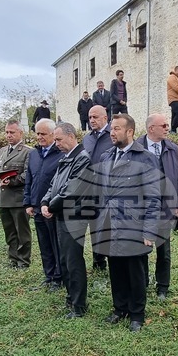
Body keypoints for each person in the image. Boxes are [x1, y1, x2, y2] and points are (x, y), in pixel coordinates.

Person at [93, 114, 160, 332]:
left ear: (130, 132)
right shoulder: (106, 157)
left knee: (135, 271)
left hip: (134, 225)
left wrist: (149, 231)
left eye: (117, 129)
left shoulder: (145, 158)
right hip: (110, 225)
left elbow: (153, 197)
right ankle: (119, 307)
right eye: (111, 129)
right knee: (116, 268)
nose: (112, 133)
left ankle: (137, 314)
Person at [41, 123, 92, 319]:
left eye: (59, 140)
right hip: (61, 215)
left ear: (71, 136)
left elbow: (72, 190)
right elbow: (54, 184)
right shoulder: (67, 158)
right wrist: (45, 201)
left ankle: (79, 306)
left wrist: (51, 206)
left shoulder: (83, 159)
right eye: (55, 140)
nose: (56, 144)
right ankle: (71, 299)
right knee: (64, 260)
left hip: (74, 217)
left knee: (73, 261)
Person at [137, 113, 178, 301]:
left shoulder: (172, 148)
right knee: (141, 248)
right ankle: (142, 283)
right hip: (142, 208)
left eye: (167, 125)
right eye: (163, 125)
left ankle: (163, 287)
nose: (167, 127)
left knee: (163, 251)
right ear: (151, 129)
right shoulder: (136, 148)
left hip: (166, 208)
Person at [23, 118, 62, 291]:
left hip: (53, 209)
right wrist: (28, 202)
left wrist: (53, 205)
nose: (39, 137)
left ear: (53, 134)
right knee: (44, 245)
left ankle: (59, 277)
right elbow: (29, 179)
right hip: (37, 207)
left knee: (56, 244)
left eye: (43, 134)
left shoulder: (61, 154)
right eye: (37, 133)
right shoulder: (33, 154)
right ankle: (49, 275)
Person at [0, 120, 32, 269]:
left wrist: (13, 181)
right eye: (7, 132)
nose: (9, 135)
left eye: (12, 132)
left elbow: (28, 174)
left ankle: (23, 261)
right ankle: (13, 259)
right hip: (4, 198)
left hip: (18, 199)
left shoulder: (28, 151)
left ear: (21, 133)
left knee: (22, 232)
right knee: (9, 231)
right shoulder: (2, 151)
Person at [82, 105, 113, 272]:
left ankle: (114, 263)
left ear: (105, 118)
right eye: (90, 117)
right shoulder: (87, 139)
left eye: (95, 117)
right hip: (90, 191)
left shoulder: (113, 136)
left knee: (108, 228)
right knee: (94, 227)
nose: (92, 120)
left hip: (109, 192)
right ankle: (98, 263)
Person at [166, 65, 178, 131]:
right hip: (174, 99)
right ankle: (173, 128)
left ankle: (173, 130)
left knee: (174, 115)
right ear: (177, 70)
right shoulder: (172, 77)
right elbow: (176, 88)